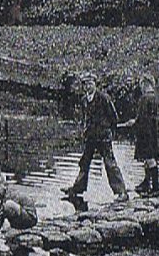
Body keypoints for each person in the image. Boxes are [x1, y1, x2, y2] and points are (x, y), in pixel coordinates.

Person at [62, 73, 128, 202]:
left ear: (95, 84)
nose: (88, 86)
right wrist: (84, 130)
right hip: (91, 136)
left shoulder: (103, 98)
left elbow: (113, 117)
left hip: (103, 136)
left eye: (90, 83)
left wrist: (109, 131)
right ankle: (77, 189)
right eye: (85, 84)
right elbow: (85, 118)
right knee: (84, 162)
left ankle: (121, 192)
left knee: (110, 163)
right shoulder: (84, 100)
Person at [118, 74, 159, 196]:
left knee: (149, 159)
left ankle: (156, 188)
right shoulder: (156, 98)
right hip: (155, 133)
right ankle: (146, 183)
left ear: (144, 84)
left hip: (147, 134)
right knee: (150, 159)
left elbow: (141, 118)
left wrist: (133, 122)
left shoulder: (144, 99)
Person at [0, 170, 38, 244]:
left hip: (30, 218)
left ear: (4, 185)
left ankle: (18, 230)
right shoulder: (1, 197)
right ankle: (15, 229)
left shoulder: (10, 194)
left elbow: (2, 212)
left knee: (8, 206)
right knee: (2, 208)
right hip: (20, 219)